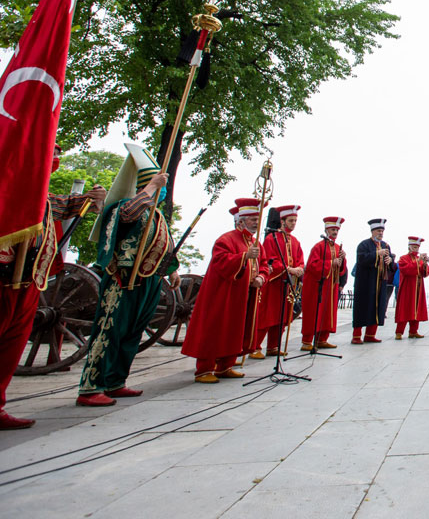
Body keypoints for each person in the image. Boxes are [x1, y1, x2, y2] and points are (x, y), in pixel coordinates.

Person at [2, 145, 105, 426]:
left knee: (11, 347)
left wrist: (93, 197)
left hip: (28, 282)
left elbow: (70, 205)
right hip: (3, 280)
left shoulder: (44, 200)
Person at [77, 144, 179, 405]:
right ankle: (91, 387)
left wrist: (172, 269)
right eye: (159, 184)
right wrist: (151, 187)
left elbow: (161, 243)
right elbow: (126, 215)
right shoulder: (122, 205)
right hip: (122, 279)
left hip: (148, 279)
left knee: (132, 333)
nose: (162, 189)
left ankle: (115, 381)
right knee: (109, 331)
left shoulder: (155, 214)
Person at [182, 198, 266, 382]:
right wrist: (244, 256)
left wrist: (260, 277)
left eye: (257, 219)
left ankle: (225, 366)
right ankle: (204, 369)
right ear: (241, 221)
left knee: (236, 329)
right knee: (216, 328)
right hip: (224, 294)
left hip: (245, 295)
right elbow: (221, 262)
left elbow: (265, 265)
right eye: (252, 219)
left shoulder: (256, 243)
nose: (256, 223)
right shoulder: (226, 239)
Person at [250, 205, 305, 358]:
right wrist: (288, 269)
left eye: (295, 220)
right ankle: (255, 347)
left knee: (282, 316)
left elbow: (300, 259)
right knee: (267, 315)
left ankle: (273, 346)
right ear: (282, 221)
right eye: (291, 220)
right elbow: (268, 261)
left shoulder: (295, 241)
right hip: (273, 283)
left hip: (287, 285)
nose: (293, 223)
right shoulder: (271, 238)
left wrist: (299, 268)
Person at [301, 216, 347, 350]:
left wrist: (342, 260)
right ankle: (307, 341)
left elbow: (342, 270)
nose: (335, 232)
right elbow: (312, 266)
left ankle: (322, 339)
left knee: (327, 312)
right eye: (333, 230)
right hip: (317, 286)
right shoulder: (319, 246)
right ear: (326, 230)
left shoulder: (338, 248)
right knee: (314, 312)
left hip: (331, 286)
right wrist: (331, 263)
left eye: (337, 230)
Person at [352, 219, 396, 344]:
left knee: (377, 308)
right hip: (366, 283)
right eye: (378, 231)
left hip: (380, 282)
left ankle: (370, 334)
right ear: (372, 231)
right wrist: (377, 254)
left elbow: (391, 264)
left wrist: (390, 262)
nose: (380, 233)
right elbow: (362, 259)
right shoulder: (364, 245)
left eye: (382, 231)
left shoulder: (386, 245)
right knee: (362, 308)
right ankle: (356, 336)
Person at [395, 236, 429, 339]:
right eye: (414, 247)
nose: (416, 249)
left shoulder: (419, 259)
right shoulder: (403, 258)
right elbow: (407, 270)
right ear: (409, 247)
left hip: (418, 287)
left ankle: (413, 331)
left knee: (416, 308)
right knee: (405, 309)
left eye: (417, 247)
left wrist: (425, 264)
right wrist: (419, 261)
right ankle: (399, 332)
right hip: (407, 288)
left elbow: (425, 273)